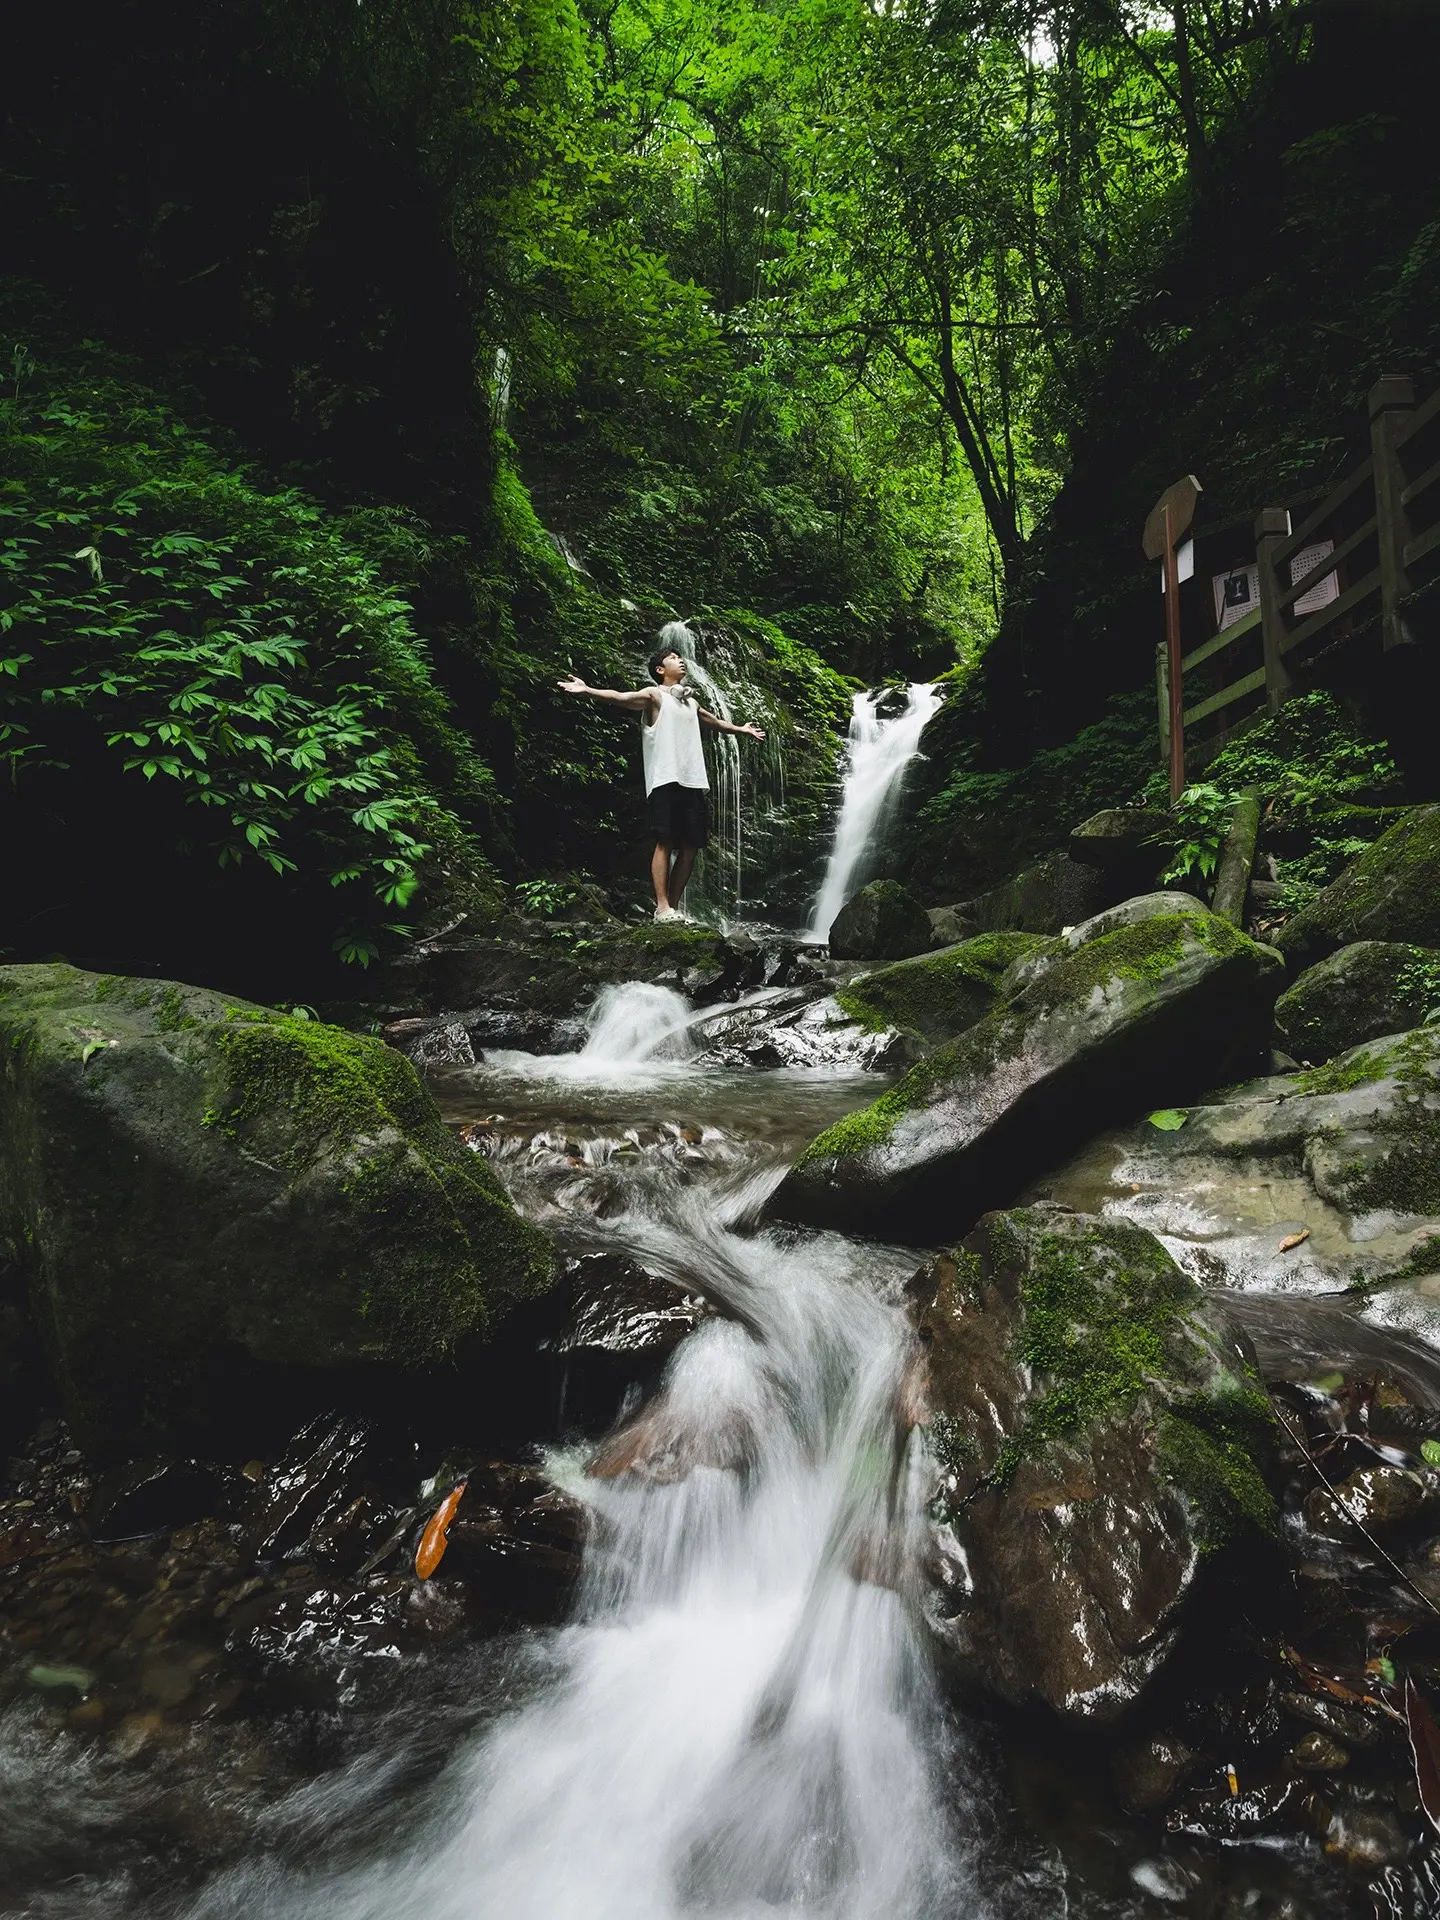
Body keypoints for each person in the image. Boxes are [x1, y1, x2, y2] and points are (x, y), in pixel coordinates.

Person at [558, 644, 765, 921]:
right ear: (660, 669)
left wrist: (741, 729)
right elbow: (622, 697)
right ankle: (661, 906)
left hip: (692, 781)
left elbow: (713, 721)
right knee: (665, 840)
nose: (681, 662)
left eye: (681, 658)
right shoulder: (655, 696)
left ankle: (674, 909)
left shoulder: (691, 702)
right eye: (673, 659)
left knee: (691, 846)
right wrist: (588, 690)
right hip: (665, 779)